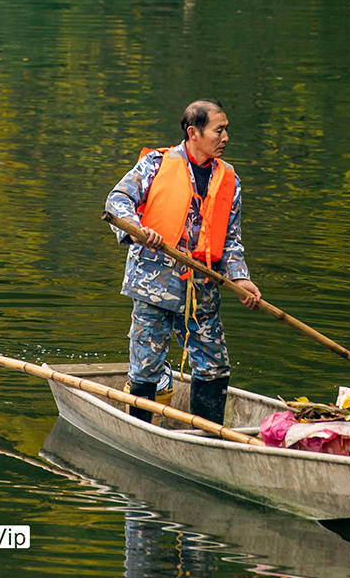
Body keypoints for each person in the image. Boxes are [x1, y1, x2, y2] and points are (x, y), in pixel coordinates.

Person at [104, 98, 261, 427]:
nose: (226, 137)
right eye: (219, 130)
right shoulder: (156, 165)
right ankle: (141, 432)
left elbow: (230, 239)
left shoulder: (229, 179)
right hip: (154, 285)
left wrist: (241, 279)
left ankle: (209, 437)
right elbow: (118, 201)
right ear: (193, 132)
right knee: (146, 367)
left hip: (202, 288)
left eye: (226, 130)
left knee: (215, 366)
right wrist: (138, 231)